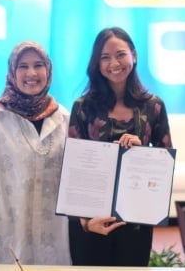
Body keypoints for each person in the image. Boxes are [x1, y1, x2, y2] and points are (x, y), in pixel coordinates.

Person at [0, 41, 71, 270]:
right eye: (23, 66)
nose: (31, 73)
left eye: (38, 65)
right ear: (12, 72)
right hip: (2, 242)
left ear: (48, 70)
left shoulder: (64, 118)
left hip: (53, 244)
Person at [68, 26, 174, 266]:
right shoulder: (83, 107)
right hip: (91, 220)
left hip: (135, 220)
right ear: (96, 63)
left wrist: (142, 152)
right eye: (104, 57)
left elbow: (164, 163)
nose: (114, 63)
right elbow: (74, 171)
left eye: (120, 54)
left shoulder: (154, 106)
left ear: (133, 56)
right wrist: (85, 221)